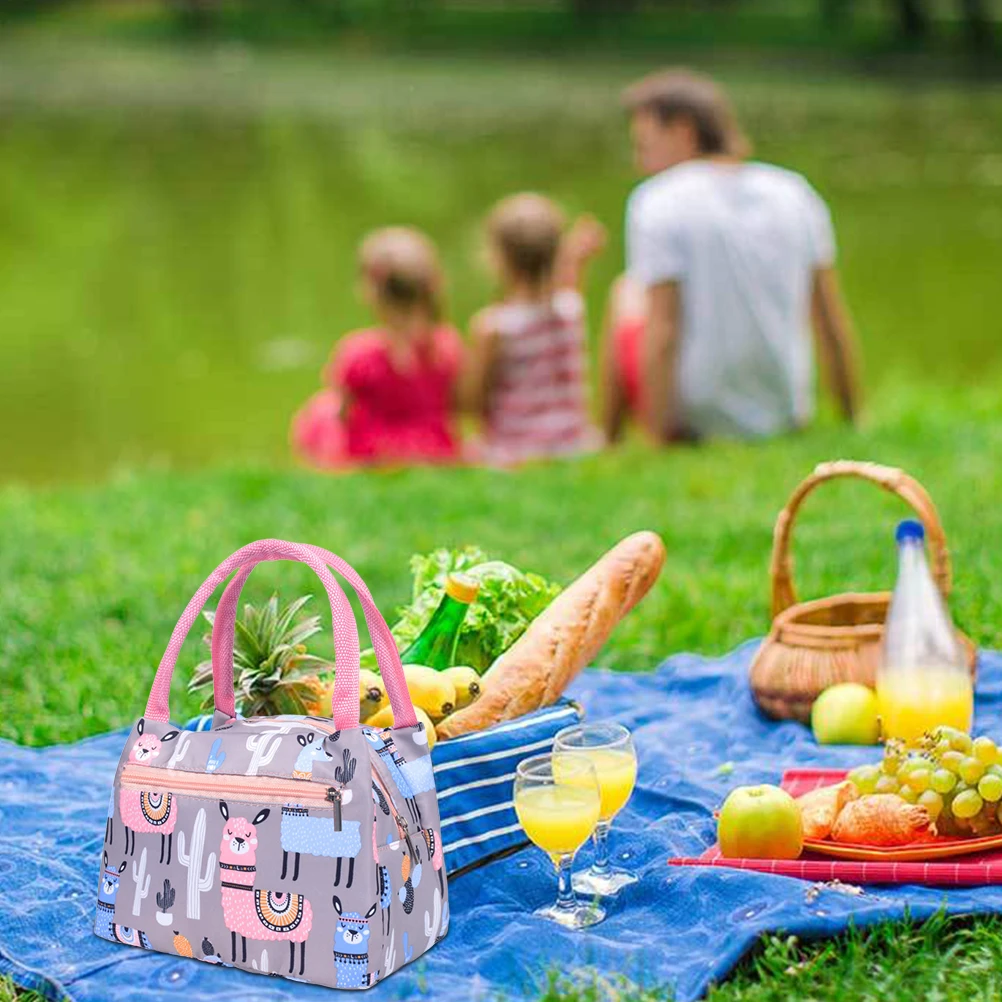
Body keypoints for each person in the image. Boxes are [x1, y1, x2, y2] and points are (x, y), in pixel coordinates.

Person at [603, 69, 861, 444]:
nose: (640, 162)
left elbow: (663, 332)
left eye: (645, 145)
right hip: (786, 413)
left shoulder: (657, 199)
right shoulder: (794, 191)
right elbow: (829, 318)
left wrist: (657, 441)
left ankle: (609, 441)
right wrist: (852, 416)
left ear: (682, 131)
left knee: (625, 291)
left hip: (696, 419)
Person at [291, 227, 463, 468]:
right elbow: (456, 406)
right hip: (435, 447)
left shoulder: (359, 351)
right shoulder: (448, 345)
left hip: (373, 451)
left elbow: (343, 413)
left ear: (370, 292)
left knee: (320, 410)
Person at [463, 193, 605, 466]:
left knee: (469, 448)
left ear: (498, 258)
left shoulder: (493, 327)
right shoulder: (571, 310)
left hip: (515, 449)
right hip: (572, 445)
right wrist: (577, 259)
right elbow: (566, 285)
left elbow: (471, 403)